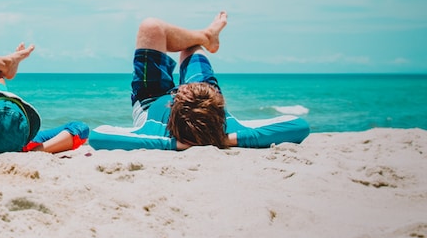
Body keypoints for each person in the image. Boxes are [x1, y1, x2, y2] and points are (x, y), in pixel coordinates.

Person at [88, 12, 310, 151]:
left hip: (150, 99)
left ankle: (205, 36)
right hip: (204, 95)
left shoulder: (154, 130)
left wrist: (172, 144)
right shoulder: (227, 125)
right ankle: (206, 36)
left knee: (150, 26)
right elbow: (299, 126)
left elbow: (98, 137)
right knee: (192, 48)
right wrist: (226, 139)